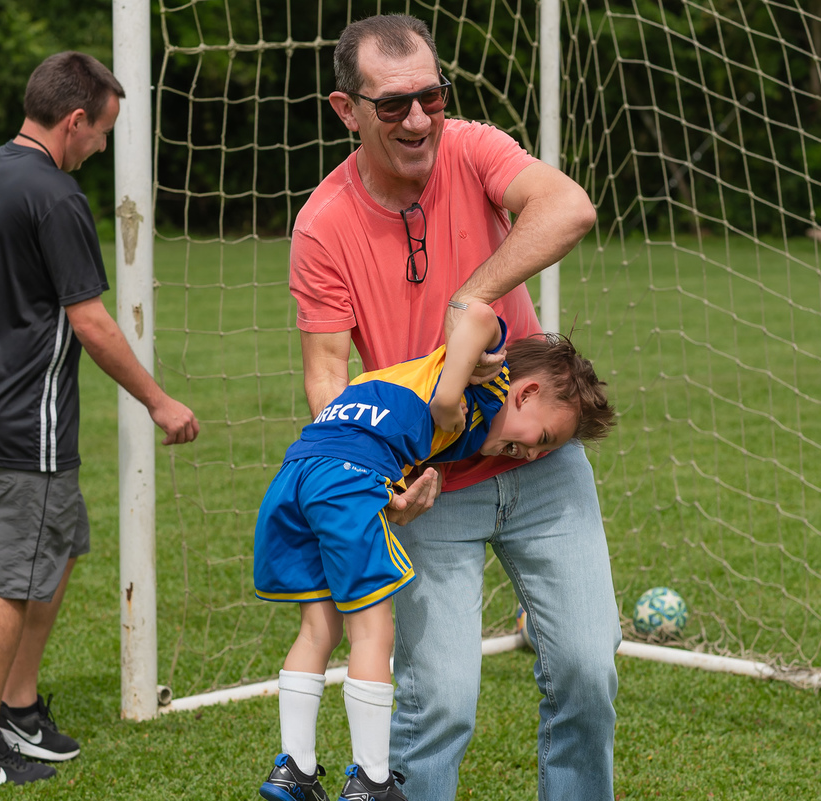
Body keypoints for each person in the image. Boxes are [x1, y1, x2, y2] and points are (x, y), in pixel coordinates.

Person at [290, 14, 620, 801]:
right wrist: (375, 484)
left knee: (587, 665)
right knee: (439, 701)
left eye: (431, 98)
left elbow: (569, 208)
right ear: (348, 110)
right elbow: (327, 381)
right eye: (394, 104)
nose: (417, 120)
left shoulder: (471, 148)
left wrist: (473, 295)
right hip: (428, 483)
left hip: (541, 461)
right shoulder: (323, 224)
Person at [0, 51, 200, 786]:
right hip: (25, 425)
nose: (102, 147)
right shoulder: (54, 197)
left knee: (63, 541)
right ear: (74, 120)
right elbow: (93, 324)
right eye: (102, 132)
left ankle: (16, 703)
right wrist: (160, 400)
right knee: (10, 578)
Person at [254, 301, 615, 801]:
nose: (533, 455)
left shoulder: (415, 392)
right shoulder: (481, 380)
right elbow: (478, 315)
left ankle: (293, 768)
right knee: (373, 635)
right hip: (348, 481)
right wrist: (449, 396)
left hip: (296, 472)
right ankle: (371, 779)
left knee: (318, 629)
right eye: (544, 439)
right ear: (526, 391)